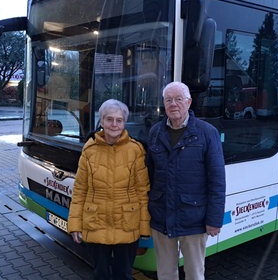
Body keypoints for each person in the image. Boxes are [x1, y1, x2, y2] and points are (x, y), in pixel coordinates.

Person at [147, 81, 226, 280]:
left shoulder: (207, 133)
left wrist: (214, 220)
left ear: (189, 102)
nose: (173, 104)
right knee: (165, 273)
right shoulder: (155, 132)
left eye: (179, 99)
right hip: (161, 215)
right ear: (164, 104)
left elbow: (217, 180)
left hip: (194, 218)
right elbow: (149, 175)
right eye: (168, 100)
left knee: (194, 274)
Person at [67, 99, 151, 280]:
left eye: (119, 120)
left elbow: (142, 191)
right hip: (95, 222)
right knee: (100, 274)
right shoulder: (89, 150)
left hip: (127, 223)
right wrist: (74, 224)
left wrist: (144, 227)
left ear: (124, 122)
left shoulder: (136, 150)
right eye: (109, 119)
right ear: (102, 121)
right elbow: (80, 189)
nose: (114, 124)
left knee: (124, 275)